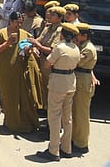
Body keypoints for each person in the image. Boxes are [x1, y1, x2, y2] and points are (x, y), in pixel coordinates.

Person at [37, 22, 81, 161]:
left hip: (58, 83)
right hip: (70, 82)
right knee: (67, 118)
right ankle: (66, 148)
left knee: (54, 117)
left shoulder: (59, 47)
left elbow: (47, 64)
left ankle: (53, 150)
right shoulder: (76, 48)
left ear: (62, 34)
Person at [0, 11, 40, 134]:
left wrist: (31, 49)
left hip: (21, 71)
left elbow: (31, 45)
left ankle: (26, 123)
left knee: (25, 97)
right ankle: (11, 124)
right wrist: (7, 43)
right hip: (6, 72)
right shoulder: (1, 34)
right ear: (10, 22)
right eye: (16, 23)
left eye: (20, 23)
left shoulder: (24, 34)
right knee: (9, 97)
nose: (18, 25)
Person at [72, 23, 98, 153]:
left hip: (84, 81)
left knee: (81, 114)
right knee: (75, 112)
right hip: (79, 79)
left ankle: (81, 143)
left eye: (78, 34)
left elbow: (77, 61)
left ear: (84, 35)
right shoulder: (82, 46)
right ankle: (74, 138)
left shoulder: (88, 48)